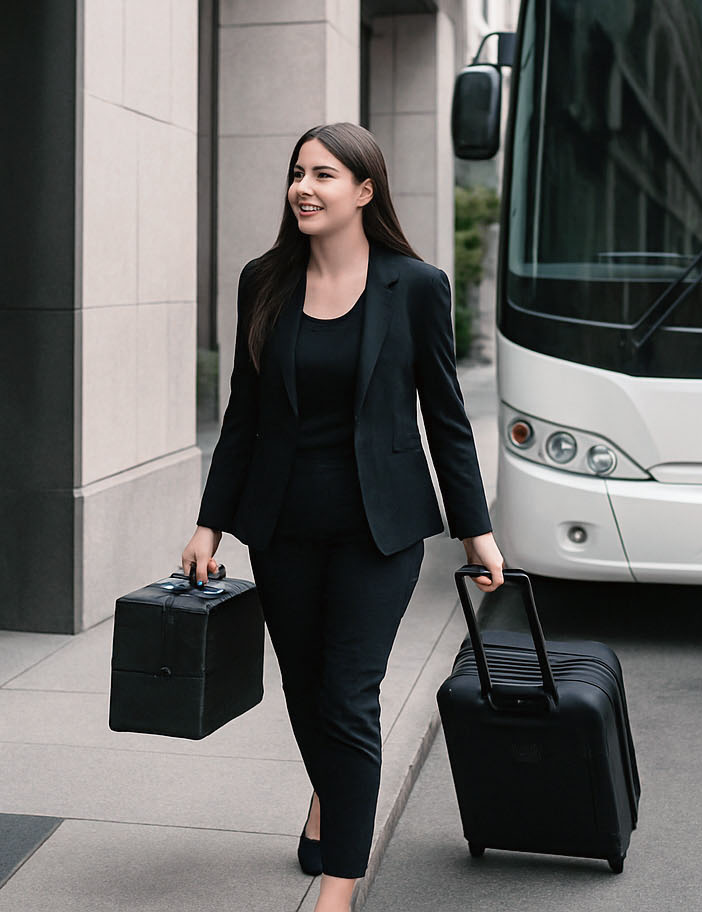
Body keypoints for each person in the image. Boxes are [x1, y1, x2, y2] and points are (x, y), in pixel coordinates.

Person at [181, 122, 506, 912]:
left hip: (379, 531)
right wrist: (209, 524)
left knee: (350, 693)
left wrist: (477, 529)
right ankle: (331, 795)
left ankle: (339, 884)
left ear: (365, 191)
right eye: (298, 172)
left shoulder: (416, 285)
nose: (305, 187)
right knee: (303, 687)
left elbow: (447, 418)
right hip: (284, 525)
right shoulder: (264, 281)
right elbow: (244, 415)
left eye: (324, 174)